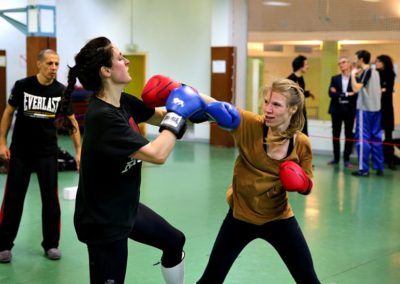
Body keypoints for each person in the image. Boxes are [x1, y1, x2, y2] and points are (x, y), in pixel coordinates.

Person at [61, 36, 208, 284]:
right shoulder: (103, 116)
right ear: (106, 71)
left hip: (126, 206)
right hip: (103, 221)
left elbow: (162, 117)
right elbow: (157, 154)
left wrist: (200, 103)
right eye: (120, 58)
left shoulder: (123, 101)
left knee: (174, 241)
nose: (127, 60)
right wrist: (179, 114)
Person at [197, 79, 320, 283]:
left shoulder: (301, 144)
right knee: (210, 280)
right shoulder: (251, 125)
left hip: (278, 219)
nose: (268, 110)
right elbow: (216, 105)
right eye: (266, 102)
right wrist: (179, 88)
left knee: (308, 279)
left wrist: (302, 183)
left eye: (276, 105)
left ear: (293, 109)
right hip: (239, 217)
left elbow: (308, 184)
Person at [0, 49, 81, 263]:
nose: (54, 67)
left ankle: (51, 245)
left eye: (56, 64)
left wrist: (79, 151)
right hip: (20, 152)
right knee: (13, 199)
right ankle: (4, 245)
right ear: (38, 64)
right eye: (49, 63)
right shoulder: (22, 86)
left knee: (51, 200)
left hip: (47, 153)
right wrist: (1, 142)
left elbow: (72, 122)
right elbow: (8, 112)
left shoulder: (61, 91)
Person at [350, 49, 384, 177]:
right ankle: (379, 166)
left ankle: (363, 169)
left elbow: (356, 88)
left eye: (355, 58)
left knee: (362, 139)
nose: (354, 61)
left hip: (365, 110)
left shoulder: (367, 71)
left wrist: (353, 75)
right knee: (376, 138)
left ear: (361, 59)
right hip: (376, 109)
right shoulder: (376, 72)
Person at [327, 57, 357, 169]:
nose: (341, 65)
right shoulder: (334, 78)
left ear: (349, 64)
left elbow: (356, 94)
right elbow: (331, 93)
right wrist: (347, 94)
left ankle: (346, 159)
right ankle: (336, 158)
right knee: (336, 134)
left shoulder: (355, 79)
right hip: (336, 110)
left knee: (349, 135)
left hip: (349, 110)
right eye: (339, 63)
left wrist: (339, 93)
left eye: (343, 62)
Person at [375, 54, 396, 170]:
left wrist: (381, 90)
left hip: (387, 108)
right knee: (375, 135)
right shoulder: (375, 74)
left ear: (384, 63)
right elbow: (380, 90)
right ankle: (377, 160)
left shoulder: (390, 74)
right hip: (376, 108)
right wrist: (380, 90)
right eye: (376, 62)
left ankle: (390, 160)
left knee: (388, 136)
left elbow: (387, 90)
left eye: (379, 62)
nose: (376, 64)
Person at [287, 55, 315, 136]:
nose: (308, 67)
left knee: (304, 135)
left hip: (302, 111)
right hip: (294, 113)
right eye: (306, 64)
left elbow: (300, 92)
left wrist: (308, 93)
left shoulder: (301, 78)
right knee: (295, 135)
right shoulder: (290, 79)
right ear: (300, 66)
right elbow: (290, 96)